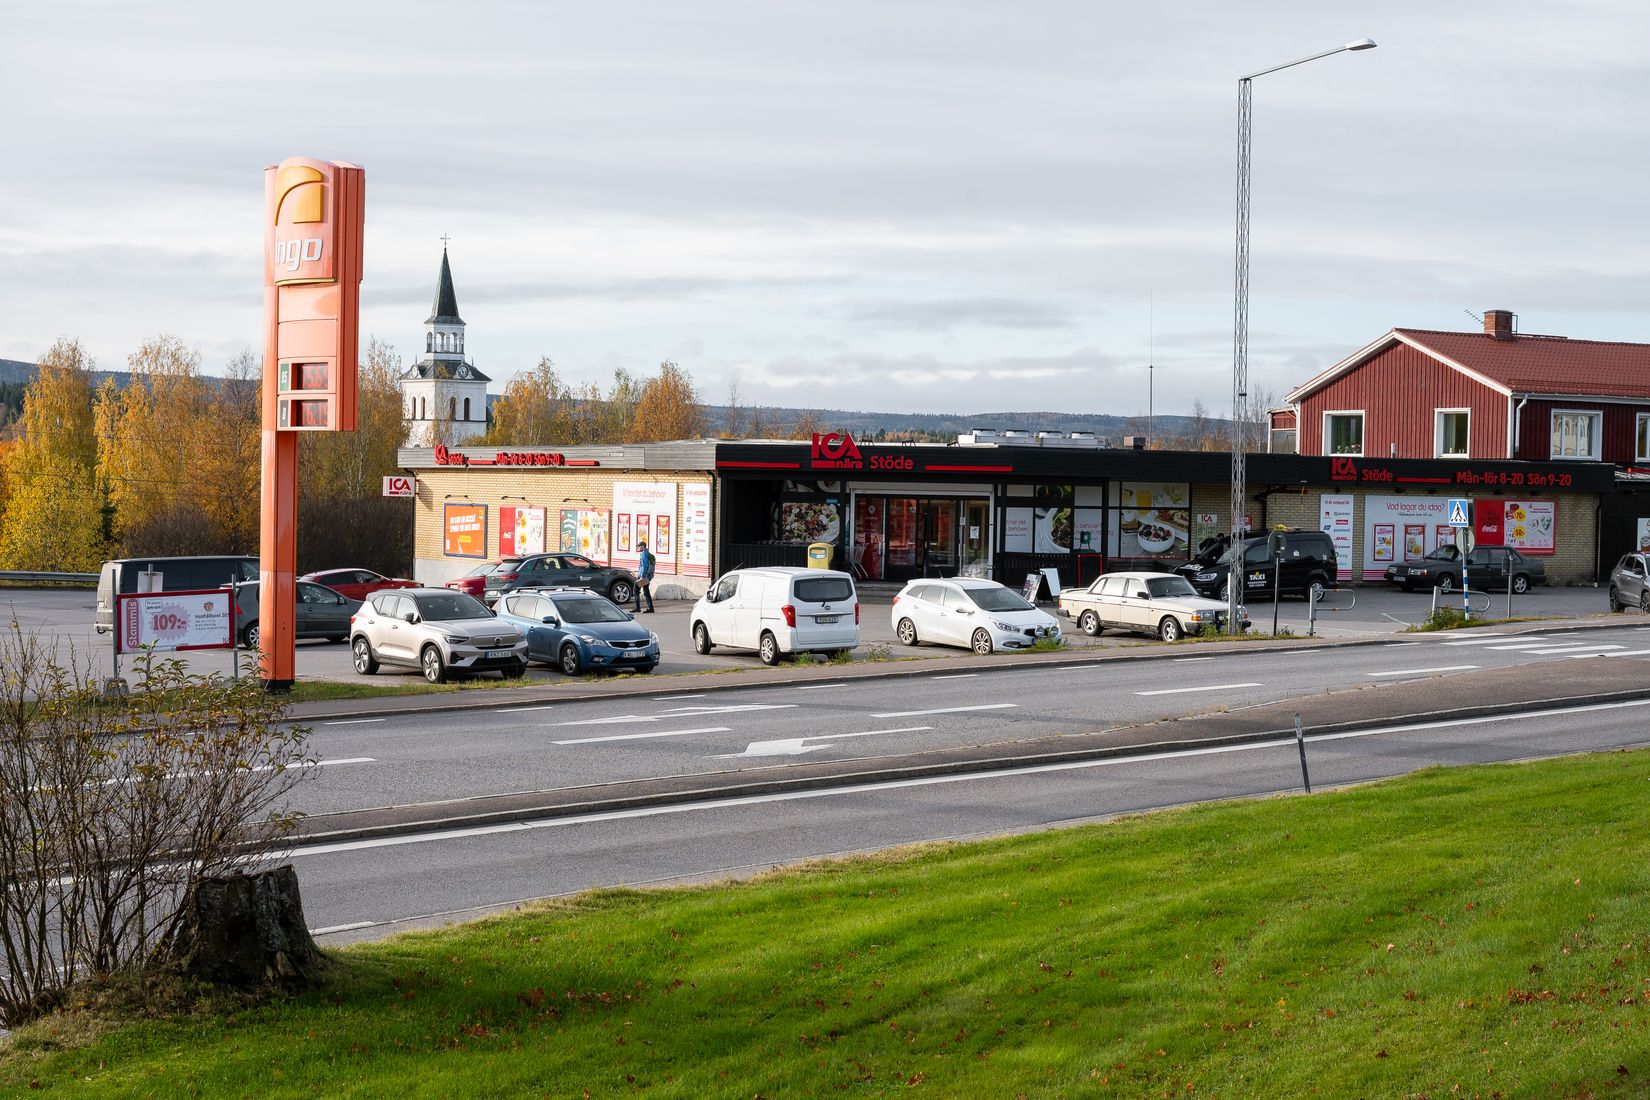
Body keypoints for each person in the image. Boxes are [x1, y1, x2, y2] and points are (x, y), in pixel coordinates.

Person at [634, 539, 656, 613]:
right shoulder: (646, 553)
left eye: (639, 546)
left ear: (643, 546)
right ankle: (650, 608)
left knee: (636, 590)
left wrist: (642, 577)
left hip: (643, 576)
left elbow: (644, 566)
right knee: (646, 591)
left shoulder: (644, 554)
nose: (638, 548)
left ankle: (638, 608)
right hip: (647, 576)